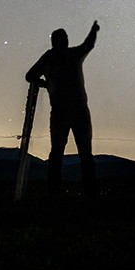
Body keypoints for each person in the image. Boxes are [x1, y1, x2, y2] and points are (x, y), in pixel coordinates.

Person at [24, 21, 100, 193]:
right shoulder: (72, 54)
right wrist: (94, 30)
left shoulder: (48, 58)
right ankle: (90, 192)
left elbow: (30, 76)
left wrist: (44, 83)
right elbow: (89, 44)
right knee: (85, 153)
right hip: (78, 110)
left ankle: (54, 191)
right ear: (64, 40)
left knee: (57, 152)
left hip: (60, 111)